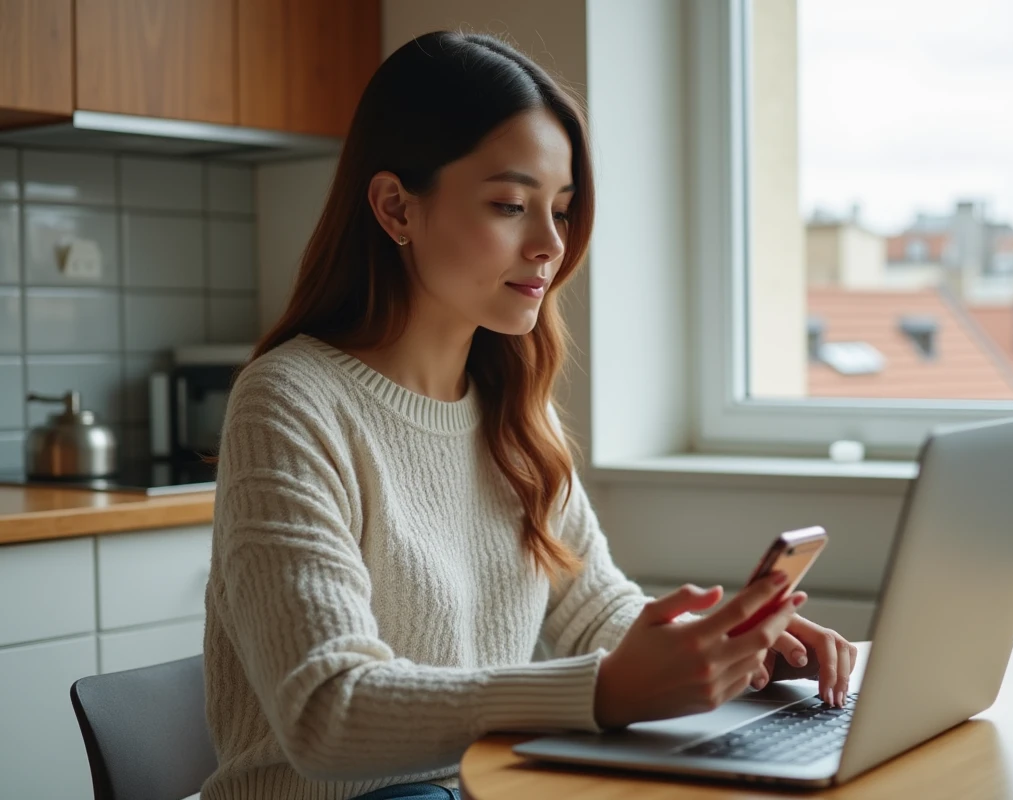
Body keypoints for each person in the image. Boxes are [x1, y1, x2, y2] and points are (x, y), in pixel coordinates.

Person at [201, 30, 857, 800]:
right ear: (394, 207)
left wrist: (724, 648)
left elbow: (599, 608)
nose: (551, 244)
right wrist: (604, 691)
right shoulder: (291, 402)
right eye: (511, 205)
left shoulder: (510, 406)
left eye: (563, 209)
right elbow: (326, 711)